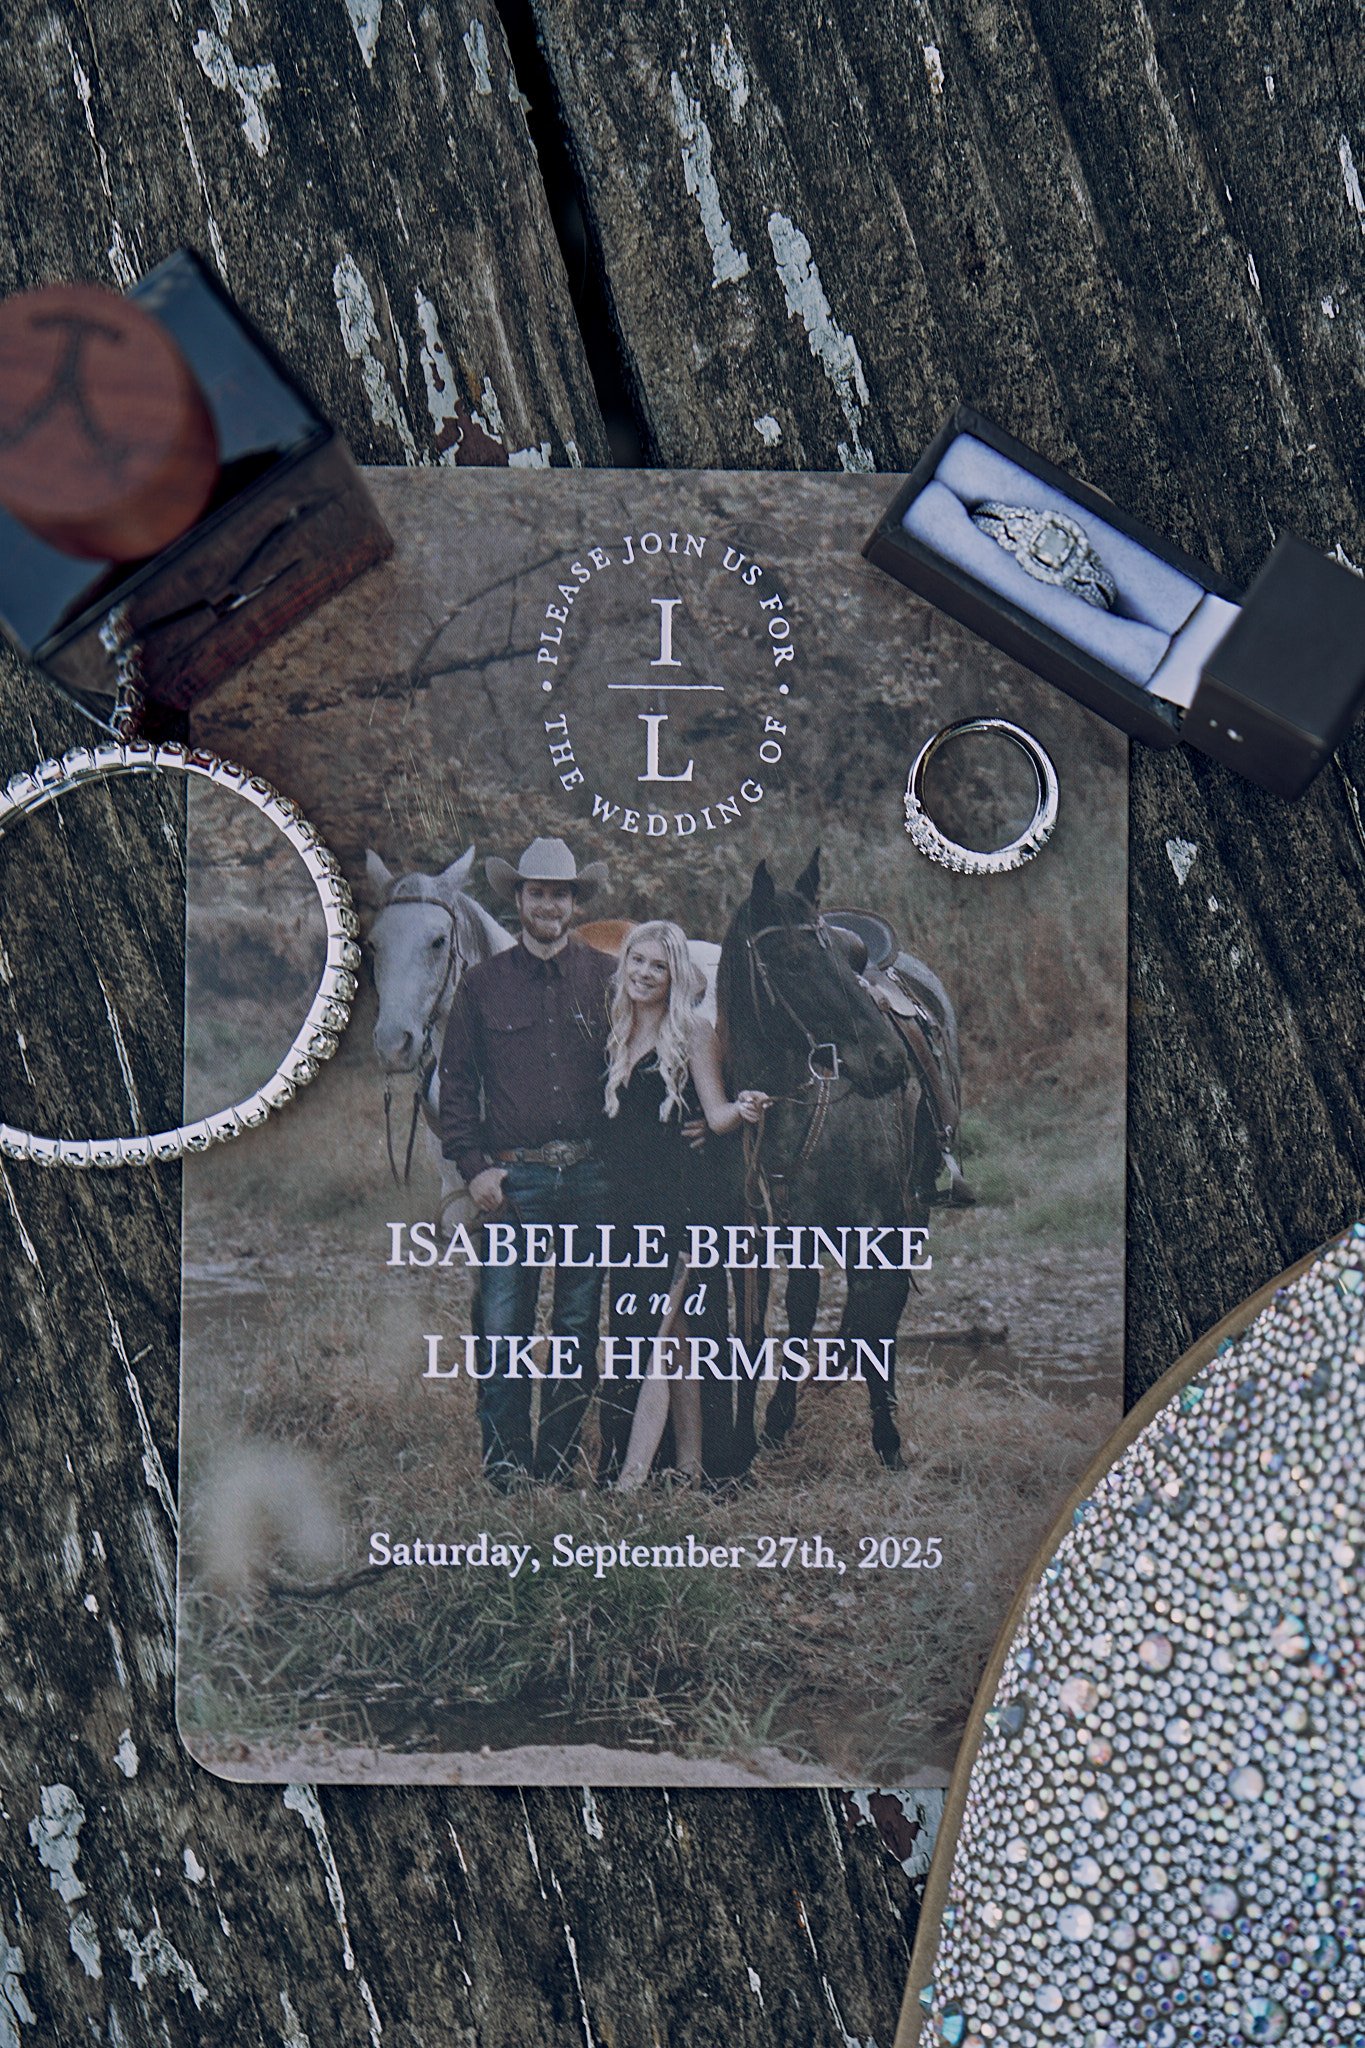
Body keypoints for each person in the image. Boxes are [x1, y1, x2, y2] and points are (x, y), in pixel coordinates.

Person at [439, 837, 614, 1486]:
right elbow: (455, 1085)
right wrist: (474, 1166)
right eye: (536, 892)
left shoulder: (604, 977)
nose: (548, 904)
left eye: (559, 893)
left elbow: (631, 1072)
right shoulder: (482, 986)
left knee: (575, 1325)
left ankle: (558, 1456)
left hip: (592, 1180)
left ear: (574, 902)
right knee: (503, 1323)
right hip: (514, 1180)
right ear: (517, 899)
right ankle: (507, 1464)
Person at [597, 920, 769, 1490]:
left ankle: (637, 1474)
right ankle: (684, 1466)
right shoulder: (615, 1032)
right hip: (627, 1208)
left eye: (657, 966)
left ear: (674, 976)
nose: (644, 973)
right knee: (660, 1339)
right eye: (636, 962)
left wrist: (741, 1109)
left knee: (671, 1333)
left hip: (681, 1205)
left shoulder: (694, 1032)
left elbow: (715, 1113)